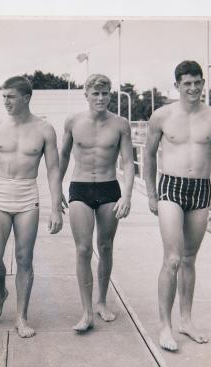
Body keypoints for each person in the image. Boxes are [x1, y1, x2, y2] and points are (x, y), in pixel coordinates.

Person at [143, 60, 211, 352]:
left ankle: (186, 321)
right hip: (171, 186)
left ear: (202, 83)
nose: (193, 88)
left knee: (189, 258)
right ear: (178, 85)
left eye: (197, 82)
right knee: (172, 259)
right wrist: (151, 193)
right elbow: (148, 155)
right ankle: (165, 327)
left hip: (201, 189)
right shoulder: (162, 116)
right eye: (187, 84)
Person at [0, 76, 63, 338]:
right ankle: (1, 292)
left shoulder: (45, 130)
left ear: (26, 97)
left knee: (24, 259)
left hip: (26, 195)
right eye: (3, 97)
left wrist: (56, 207)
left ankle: (21, 317)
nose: (6, 102)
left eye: (11, 97)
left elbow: (53, 169)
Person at [59, 74, 135, 332]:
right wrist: (56, 187)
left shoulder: (121, 124)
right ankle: (86, 311)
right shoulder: (73, 122)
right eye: (95, 93)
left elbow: (127, 162)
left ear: (110, 95)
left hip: (109, 187)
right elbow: (64, 154)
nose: (100, 98)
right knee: (83, 249)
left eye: (105, 93)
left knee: (105, 245)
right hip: (80, 187)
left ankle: (101, 301)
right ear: (87, 95)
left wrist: (127, 195)